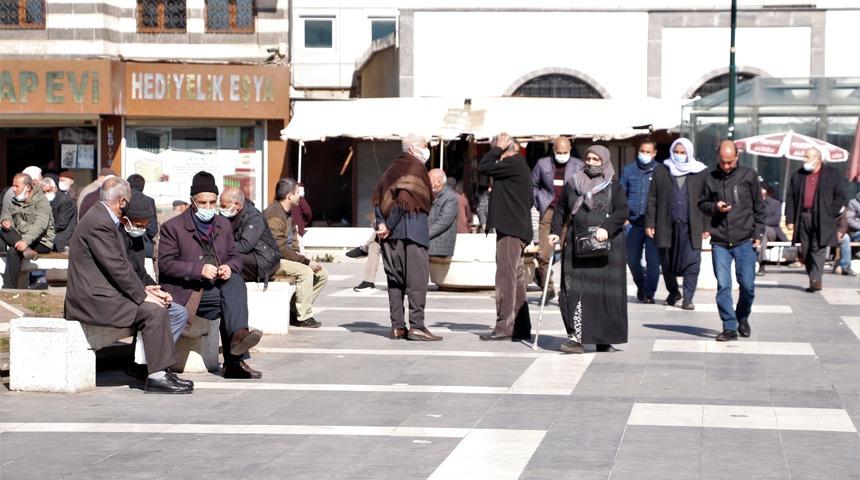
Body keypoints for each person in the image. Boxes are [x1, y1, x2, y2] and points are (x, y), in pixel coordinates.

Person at [64, 177, 192, 394]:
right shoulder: (100, 223)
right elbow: (116, 267)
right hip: (92, 300)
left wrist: (145, 289)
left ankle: (159, 369)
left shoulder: (101, 217)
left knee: (163, 308)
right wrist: (142, 296)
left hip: (104, 294)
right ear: (122, 201)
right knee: (153, 310)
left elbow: (121, 266)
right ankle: (156, 376)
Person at [159, 171, 264, 379]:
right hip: (187, 291)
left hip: (215, 285)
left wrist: (228, 266)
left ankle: (237, 342)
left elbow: (235, 256)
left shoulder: (222, 224)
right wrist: (198, 270)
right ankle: (236, 357)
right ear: (192, 201)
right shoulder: (173, 227)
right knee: (229, 302)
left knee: (235, 281)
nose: (208, 207)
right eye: (203, 202)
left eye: (212, 202)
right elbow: (165, 264)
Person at [549, 145, 629, 353]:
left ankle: (604, 339)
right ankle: (576, 339)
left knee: (604, 294)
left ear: (604, 161)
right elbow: (560, 210)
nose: (591, 163)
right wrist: (555, 232)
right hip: (578, 246)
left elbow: (622, 211)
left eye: (596, 159)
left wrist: (606, 229)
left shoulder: (614, 186)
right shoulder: (573, 183)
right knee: (574, 291)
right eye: (589, 159)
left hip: (607, 248)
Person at [371, 133, 442, 341]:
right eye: (424, 146)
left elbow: (377, 196)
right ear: (412, 148)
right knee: (417, 281)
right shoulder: (415, 167)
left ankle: (397, 327)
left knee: (395, 281)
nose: (427, 150)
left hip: (390, 236)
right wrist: (389, 225)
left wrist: (382, 224)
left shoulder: (392, 168)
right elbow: (404, 199)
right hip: (412, 231)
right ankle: (417, 326)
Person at [121, 190, 191, 382]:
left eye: (145, 225)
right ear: (125, 219)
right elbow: (122, 274)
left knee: (178, 312)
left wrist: (157, 289)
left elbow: (141, 272)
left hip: (139, 290)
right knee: (158, 311)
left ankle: (151, 364)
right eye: (138, 224)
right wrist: (145, 292)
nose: (141, 229)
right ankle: (152, 367)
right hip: (124, 295)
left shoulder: (136, 238)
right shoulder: (116, 236)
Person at [699, 140, 765, 342]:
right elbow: (702, 203)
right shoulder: (710, 177)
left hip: (745, 240)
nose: (726, 166)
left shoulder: (749, 175)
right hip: (720, 241)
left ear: (737, 157)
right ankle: (729, 326)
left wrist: (758, 234)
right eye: (723, 162)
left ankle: (742, 317)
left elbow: (759, 208)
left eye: (730, 162)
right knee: (724, 286)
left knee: (747, 285)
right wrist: (715, 207)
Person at [477, 133, 533, 341]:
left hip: (511, 230)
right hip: (513, 228)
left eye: (498, 150)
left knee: (505, 278)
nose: (495, 154)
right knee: (515, 278)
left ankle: (504, 326)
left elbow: (483, 166)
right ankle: (520, 326)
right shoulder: (516, 166)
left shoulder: (514, 163)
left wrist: (496, 149)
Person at [645, 138, 709, 310]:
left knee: (693, 261)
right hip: (666, 224)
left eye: (683, 153)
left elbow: (708, 199)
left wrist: (706, 226)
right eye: (676, 152)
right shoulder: (661, 170)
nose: (679, 156)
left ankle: (688, 297)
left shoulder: (701, 172)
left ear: (689, 153)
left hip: (691, 225)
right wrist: (650, 222)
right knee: (666, 262)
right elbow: (652, 198)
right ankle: (674, 291)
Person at [264, 178, 328, 329]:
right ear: (290, 195)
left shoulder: (288, 214)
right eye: (298, 193)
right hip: (271, 261)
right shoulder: (273, 214)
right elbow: (279, 247)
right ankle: (304, 316)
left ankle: (294, 311)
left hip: (284, 258)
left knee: (322, 274)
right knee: (306, 271)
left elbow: (292, 241)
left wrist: (301, 256)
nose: (300, 196)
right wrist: (304, 262)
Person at [785, 148, 848, 291]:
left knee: (818, 248)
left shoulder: (832, 174)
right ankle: (813, 277)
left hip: (823, 218)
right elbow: (791, 198)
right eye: (804, 157)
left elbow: (841, 196)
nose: (804, 160)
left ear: (817, 160)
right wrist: (790, 219)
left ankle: (816, 279)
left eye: (807, 157)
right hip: (804, 217)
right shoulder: (798, 175)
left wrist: (830, 212)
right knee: (806, 250)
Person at [532, 136, 583, 301]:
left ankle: (567, 290)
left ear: (570, 149)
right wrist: (540, 200)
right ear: (554, 150)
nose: (562, 155)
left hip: (569, 212)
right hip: (549, 210)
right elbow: (533, 185)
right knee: (543, 254)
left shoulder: (578, 165)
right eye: (559, 152)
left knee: (569, 254)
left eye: (565, 152)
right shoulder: (543, 164)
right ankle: (548, 288)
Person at [620, 137, 660, 304]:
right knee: (632, 259)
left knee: (653, 261)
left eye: (648, 152)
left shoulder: (660, 171)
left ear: (654, 153)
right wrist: (624, 219)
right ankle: (641, 285)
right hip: (633, 224)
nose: (644, 154)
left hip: (653, 226)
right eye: (642, 151)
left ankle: (649, 293)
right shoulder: (629, 170)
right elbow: (621, 195)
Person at [1, 173, 54, 290]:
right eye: (13, 186)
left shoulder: (41, 201)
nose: (13, 189)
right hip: (22, 241)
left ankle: (8, 289)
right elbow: (6, 214)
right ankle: (26, 251)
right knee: (3, 230)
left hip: (41, 241)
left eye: (16, 186)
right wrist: (5, 221)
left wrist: (25, 241)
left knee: (13, 252)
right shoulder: (15, 200)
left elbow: (40, 225)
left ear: (28, 187)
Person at [219, 186, 282, 284]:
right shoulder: (227, 215)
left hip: (264, 259)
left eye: (223, 206)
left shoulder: (253, 217)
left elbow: (245, 246)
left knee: (226, 256)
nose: (221, 209)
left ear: (237, 205)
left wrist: (221, 246)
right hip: (248, 256)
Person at [756, 183, 788, 276]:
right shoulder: (751, 203)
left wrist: (759, 222)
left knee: (763, 231)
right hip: (754, 231)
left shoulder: (776, 203)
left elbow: (775, 220)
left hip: (771, 231)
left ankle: (761, 264)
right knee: (760, 232)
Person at [40, 177, 77, 253]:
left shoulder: (64, 201)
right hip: (53, 239)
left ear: (55, 188)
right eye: (44, 192)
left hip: (62, 241)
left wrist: (40, 230)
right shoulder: (48, 200)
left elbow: (61, 223)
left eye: (48, 191)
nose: (46, 194)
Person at [127, 174, 159, 258]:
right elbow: (153, 230)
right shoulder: (149, 201)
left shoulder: (123, 199)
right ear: (143, 187)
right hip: (144, 248)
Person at [428, 169, 458, 258]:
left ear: (438, 182)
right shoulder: (431, 195)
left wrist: (423, 235)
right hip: (429, 244)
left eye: (429, 178)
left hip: (438, 246)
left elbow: (443, 221)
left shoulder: (450, 197)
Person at [836, 191, 860, 276]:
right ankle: (845, 267)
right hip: (856, 232)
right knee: (845, 238)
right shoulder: (853, 203)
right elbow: (849, 220)